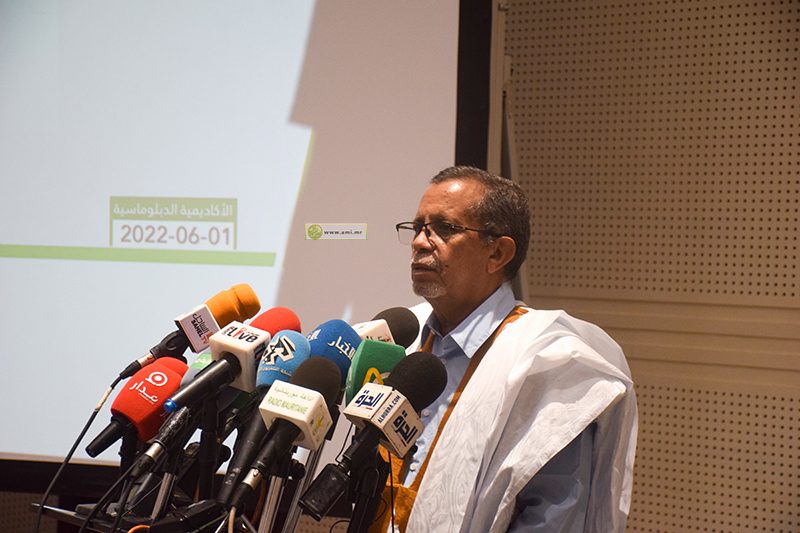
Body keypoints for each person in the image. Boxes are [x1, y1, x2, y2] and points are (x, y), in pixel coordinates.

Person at [374, 166, 638, 532]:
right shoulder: (401, 335)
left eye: (444, 228)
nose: (420, 242)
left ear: (497, 253)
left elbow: (551, 518)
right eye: (418, 227)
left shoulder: (550, 362)